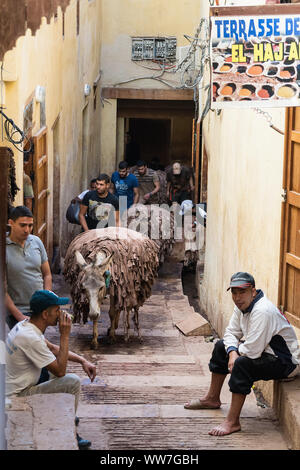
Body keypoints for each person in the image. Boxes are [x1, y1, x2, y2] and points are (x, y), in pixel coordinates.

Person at [184, 272, 300, 436]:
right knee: (220, 346)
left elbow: (252, 352)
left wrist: (235, 355)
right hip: (263, 351)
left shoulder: (263, 311)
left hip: (286, 363)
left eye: (242, 292)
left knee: (242, 364)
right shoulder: (242, 305)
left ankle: (232, 422)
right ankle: (212, 398)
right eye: (234, 292)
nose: (237, 297)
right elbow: (231, 333)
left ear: (253, 291)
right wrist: (232, 352)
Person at [5, 289, 96, 449]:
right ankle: (71, 432)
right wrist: (65, 335)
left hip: (15, 384)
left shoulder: (26, 325)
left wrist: (83, 361)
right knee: (71, 382)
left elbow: (54, 349)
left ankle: (65, 416)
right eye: (56, 310)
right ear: (45, 314)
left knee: (53, 369)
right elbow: (60, 370)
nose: (60, 313)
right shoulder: (30, 338)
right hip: (17, 396)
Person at [5, 206, 52, 330]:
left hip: (39, 311)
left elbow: (47, 275)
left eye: (30, 226)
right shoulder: (3, 247)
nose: (27, 230)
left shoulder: (36, 241)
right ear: (11, 223)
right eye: (23, 225)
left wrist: (47, 300)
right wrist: (20, 317)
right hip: (15, 314)